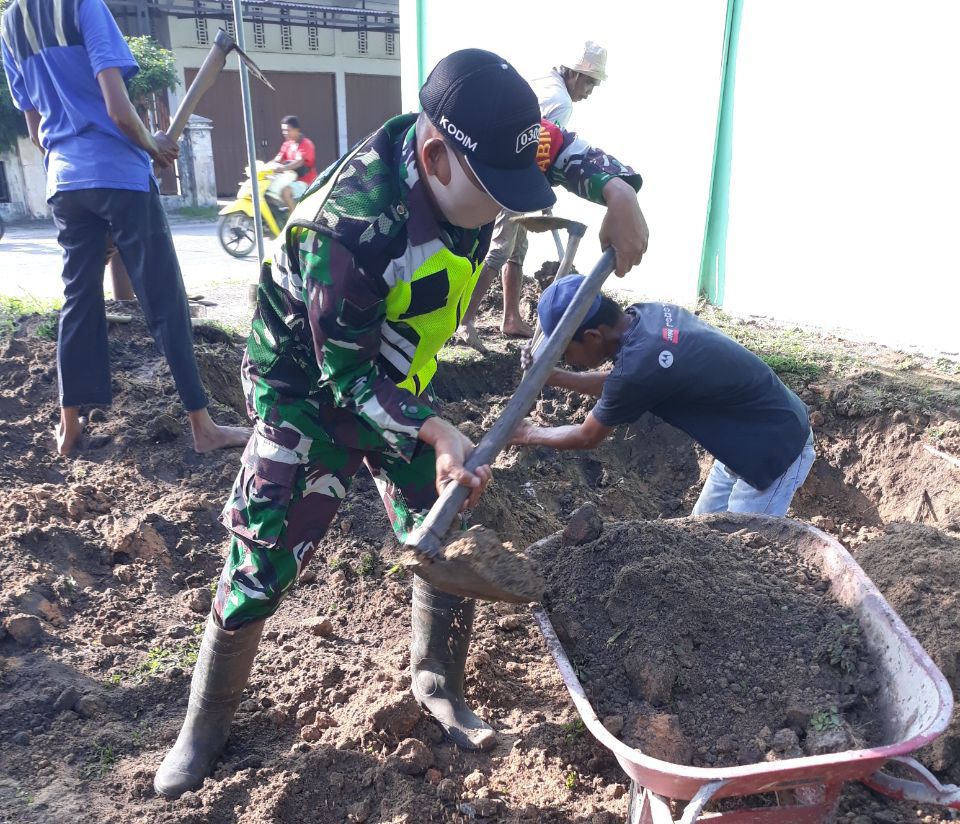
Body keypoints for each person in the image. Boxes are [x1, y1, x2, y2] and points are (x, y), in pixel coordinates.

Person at [154, 48, 648, 799]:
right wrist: (439, 430)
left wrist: (616, 191)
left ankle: (436, 680)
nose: (509, 208)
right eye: (494, 194)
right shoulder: (350, 232)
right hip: (308, 395)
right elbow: (346, 378)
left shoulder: (486, 144)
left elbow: (552, 147)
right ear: (435, 156)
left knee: (441, 519)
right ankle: (206, 723)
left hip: (398, 379)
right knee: (264, 554)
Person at [1, 0, 249, 456]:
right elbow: (117, 110)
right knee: (164, 297)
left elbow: (35, 130)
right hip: (119, 176)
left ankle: (70, 425)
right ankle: (203, 427)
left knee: (78, 299)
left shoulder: (12, 22)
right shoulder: (83, 7)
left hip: (65, 182)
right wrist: (150, 143)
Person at [510, 276, 817, 516]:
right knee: (701, 538)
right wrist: (554, 377)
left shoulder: (640, 367)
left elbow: (587, 435)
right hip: (743, 439)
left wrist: (526, 433)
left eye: (566, 352)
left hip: (776, 448)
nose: (568, 360)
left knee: (742, 555)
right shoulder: (646, 316)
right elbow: (622, 382)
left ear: (593, 336)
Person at [456, 41, 614, 350]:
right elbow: (534, 149)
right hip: (510, 179)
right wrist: (538, 193)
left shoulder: (544, 82)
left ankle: (511, 318)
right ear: (576, 75)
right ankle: (464, 321)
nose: (590, 91)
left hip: (501, 169)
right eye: (590, 83)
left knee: (517, 249)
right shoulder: (560, 102)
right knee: (500, 250)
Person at [266, 114, 317, 212]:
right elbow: (278, 159)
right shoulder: (287, 144)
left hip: (306, 183)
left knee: (285, 191)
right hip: (291, 180)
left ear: (297, 130)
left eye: (288, 130)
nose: (285, 133)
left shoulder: (306, 144)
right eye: (283, 131)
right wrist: (265, 167)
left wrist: (282, 169)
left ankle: (293, 219)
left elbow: (299, 162)